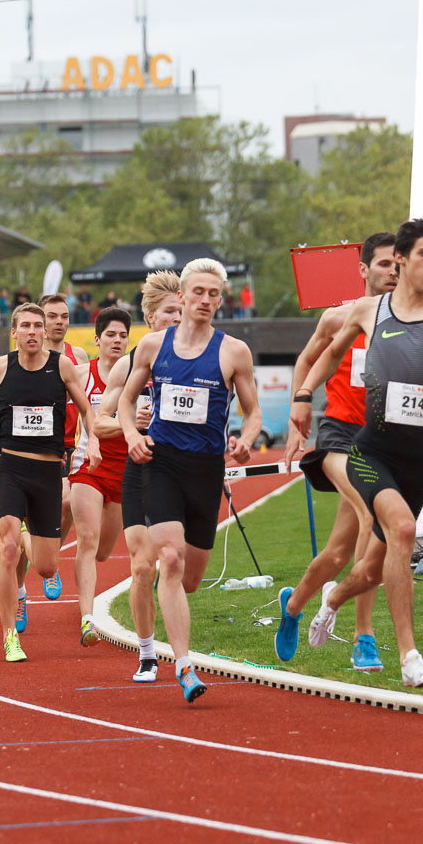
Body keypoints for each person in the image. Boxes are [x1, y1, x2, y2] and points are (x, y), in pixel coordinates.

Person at [289, 218, 423, 687]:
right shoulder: (370, 311)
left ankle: (330, 601)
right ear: (403, 260)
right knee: (403, 529)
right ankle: (410, 658)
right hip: (369, 450)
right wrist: (305, 395)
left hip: (418, 459)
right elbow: (328, 354)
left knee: (369, 570)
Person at [118, 257, 261, 704]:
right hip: (160, 463)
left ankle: (177, 641)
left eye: (212, 294)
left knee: (191, 577)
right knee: (169, 558)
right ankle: (183, 663)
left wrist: (245, 440)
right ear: (182, 296)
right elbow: (124, 401)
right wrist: (130, 435)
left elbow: (252, 411)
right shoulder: (152, 348)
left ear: (221, 299)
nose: (204, 300)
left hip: (205, 471)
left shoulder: (233, 351)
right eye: (197, 292)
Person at [276, 231, 398, 671]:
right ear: (364, 269)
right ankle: (364, 637)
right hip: (341, 435)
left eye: (397, 264)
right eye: (384, 263)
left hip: (383, 440)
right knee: (374, 514)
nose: (392, 271)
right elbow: (307, 361)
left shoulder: (411, 323)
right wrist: (298, 407)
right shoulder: (339, 318)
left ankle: (292, 606)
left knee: (338, 554)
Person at [0, 303, 100, 662]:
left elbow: (86, 409)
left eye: (39, 325)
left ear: (45, 331)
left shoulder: (61, 365)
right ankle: (9, 638)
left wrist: (92, 439)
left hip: (49, 471)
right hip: (11, 468)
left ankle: (25, 537)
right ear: (14, 333)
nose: (34, 331)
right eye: (26, 326)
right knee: (6, 548)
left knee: (47, 565)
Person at [94, 271, 181, 682]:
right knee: (143, 566)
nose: (176, 320)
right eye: (168, 313)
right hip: (142, 469)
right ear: (150, 318)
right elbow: (100, 423)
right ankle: (148, 653)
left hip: (182, 472)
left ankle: (179, 645)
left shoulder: (201, 359)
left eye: (181, 312)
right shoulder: (128, 365)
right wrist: (131, 426)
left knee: (179, 564)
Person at [69, 307, 131, 646]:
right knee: (88, 541)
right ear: (97, 339)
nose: (117, 341)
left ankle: (85, 589)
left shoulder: (136, 375)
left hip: (125, 472)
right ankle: (87, 618)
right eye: (110, 334)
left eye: (123, 335)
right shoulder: (82, 374)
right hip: (88, 468)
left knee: (104, 551)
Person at [39, 293, 90, 600]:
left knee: (67, 505)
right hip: (34, 445)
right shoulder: (28, 355)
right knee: (26, 524)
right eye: (53, 316)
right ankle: (21, 588)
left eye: (65, 316)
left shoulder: (78, 356)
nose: (60, 322)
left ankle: (51, 560)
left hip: (69, 445)